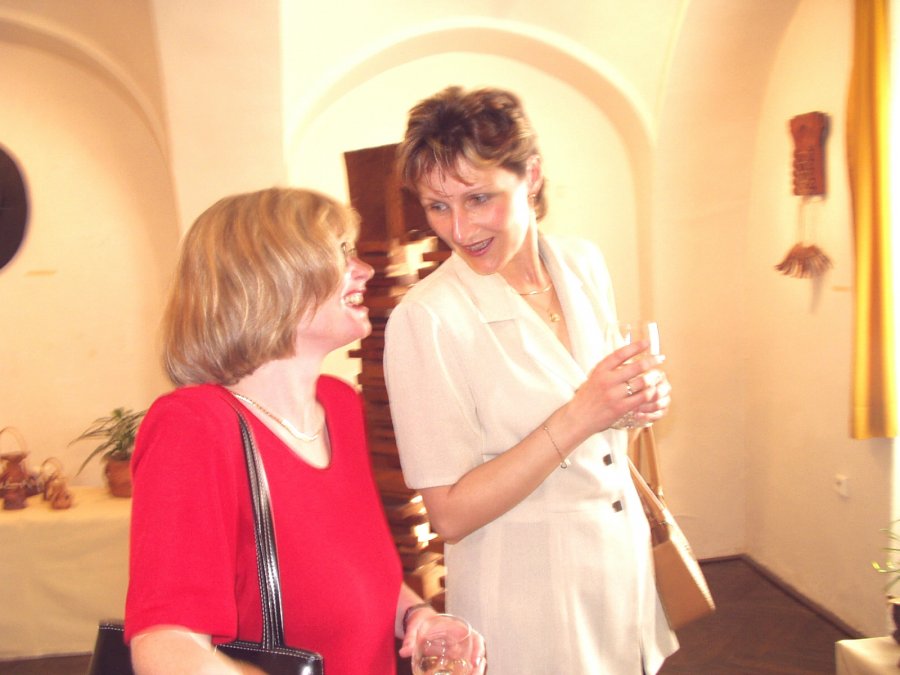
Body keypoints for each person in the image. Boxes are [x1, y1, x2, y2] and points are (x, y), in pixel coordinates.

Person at [124, 187, 485, 674]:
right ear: (271, 276)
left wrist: (414, 615)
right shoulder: (195, 426)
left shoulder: (339, 406)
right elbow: (167, 648)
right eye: (340, 253)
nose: (365, 269)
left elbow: (355, 578)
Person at [384, 86, 679, 674]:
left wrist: (633, 404)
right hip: (529, 602)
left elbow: (598, 410)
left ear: (532, 176)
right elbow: (450, 514)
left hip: (621, 573)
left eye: (478, 198)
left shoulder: (582, 263)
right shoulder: (427, 318)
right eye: (437, 206)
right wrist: (582, 414)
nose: (460, 228)